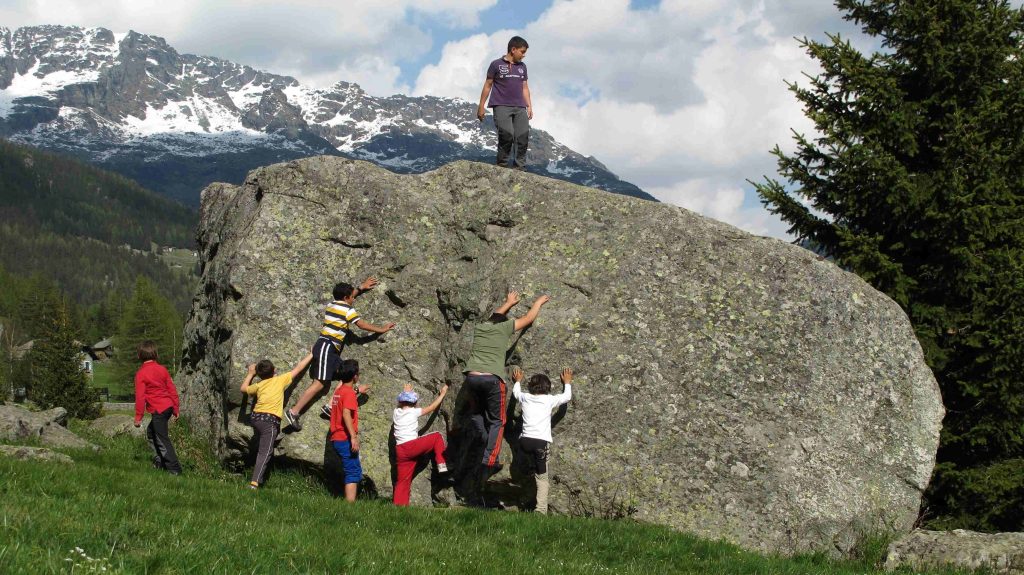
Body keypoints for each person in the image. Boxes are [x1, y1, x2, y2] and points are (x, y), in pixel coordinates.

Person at [463, 291, 549, 499]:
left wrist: (508, 303)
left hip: (472, 377)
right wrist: (537, 303)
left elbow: (495, 316)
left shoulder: (481, 328)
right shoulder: (504, 329)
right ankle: (490, 460)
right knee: (498, 421)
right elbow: (528, 319)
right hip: (492, 380)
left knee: (476, 413)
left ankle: (483, 439)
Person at [285, 277, 395, 431]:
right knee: (319, 383)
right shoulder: (348, 310)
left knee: (347, 375)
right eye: (351, 297)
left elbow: (348, 297)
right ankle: (294, 412)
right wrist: (382, 329)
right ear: (346, 298)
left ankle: (329, 407)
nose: (353, 299)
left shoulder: (332, 304)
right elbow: (361, 325)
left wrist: (361, 288)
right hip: (326, 346)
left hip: (330, 349)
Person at [240, 353, 313, 489]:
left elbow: (243, 389)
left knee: (262, 445)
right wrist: (311, 354)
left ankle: (255, 476)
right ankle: (254, 483)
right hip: (269, 421)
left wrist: (250, 374)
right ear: (274, 371)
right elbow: (299, 368)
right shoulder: (280, 380)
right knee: (265, 451)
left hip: (256, 418)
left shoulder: (259, 385)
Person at [510, 367, 573, 514]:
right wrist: (567, 382)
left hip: (525, 442)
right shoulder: (549, 400)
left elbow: (516, 393)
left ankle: (530, 471)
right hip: (540, 444)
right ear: (548, 388)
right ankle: (541, 510)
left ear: (530, 387)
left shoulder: (525, 397)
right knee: (542, 477)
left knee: (530, 466)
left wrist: (517, 381)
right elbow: (566, 397)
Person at [477, 36, 532, 170]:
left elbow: (525, 87)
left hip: (520, 106)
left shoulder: (522, 67)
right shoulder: (496, 64)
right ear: (513, 49)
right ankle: (501, 165)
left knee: (522, 135)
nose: (524, 55)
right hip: (501, 105)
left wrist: (529, 106)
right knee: (507, 134)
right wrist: (481, 106)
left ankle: (519, 167)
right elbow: (488, 85)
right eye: (522, 52)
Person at [392, 383, 450, 506]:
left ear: (401, 402)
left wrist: (405, 391)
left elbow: (404, 401)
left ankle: (399, 507)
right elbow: (433, 407)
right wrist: (443, 394)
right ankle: (441, 463)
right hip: (412, 446)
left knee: (403, 481)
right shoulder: (414, 412)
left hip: (400, 451)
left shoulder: (396, 412)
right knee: (437, 437)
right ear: (414, 403)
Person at [133, 340, 181, 476]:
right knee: (151, 433)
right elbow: (172, 389)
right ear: (156, 354)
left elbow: (140, 398)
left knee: (162, 439)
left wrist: (138, 417)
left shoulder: (141, 374)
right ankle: (159, 461)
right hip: (168, 407)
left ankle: (174, 470)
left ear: (139, 356)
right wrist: (176, 408)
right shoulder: (162, 369)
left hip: (158, 410)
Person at [328, 359, 369, 502]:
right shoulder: (349, 394)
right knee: (352, 472)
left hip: (336, 437)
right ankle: (349, 506)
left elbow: (347, 395)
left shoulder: (339, 391)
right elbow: (346, 413)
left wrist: (357, 390)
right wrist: (353, 437)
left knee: (353, 470)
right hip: (345, 438)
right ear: (355, 377)